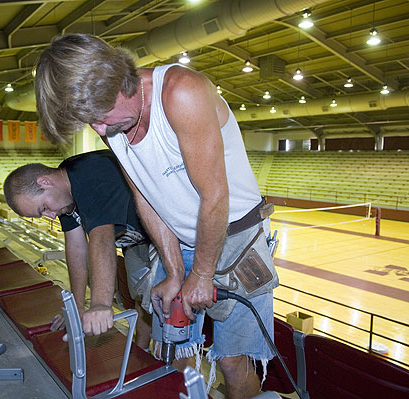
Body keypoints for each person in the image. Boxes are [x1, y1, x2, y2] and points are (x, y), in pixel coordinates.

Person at [35, 33, 279, 399]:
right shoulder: (111, 122)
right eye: (91, 123)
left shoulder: (181, 93)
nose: (100, 131)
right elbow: (146, 197)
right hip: (178, 241)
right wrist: (174, 270)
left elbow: (215, 196)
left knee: (231, 361)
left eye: (99, 118)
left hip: (235, 238)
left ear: (119, 82)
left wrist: (201, 272)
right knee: (174, 353)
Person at [3, 150, 153, 350]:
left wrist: (100, 304)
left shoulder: (89, 175)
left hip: (172, 236)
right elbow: (76, 248)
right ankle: (141, 351)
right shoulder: (64, 194)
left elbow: (101, 238)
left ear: (45, 182)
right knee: (142, 300)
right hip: (138, 242)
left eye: (44, 208)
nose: (50, 216)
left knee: (169, 316)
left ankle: (175, 374)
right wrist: (77, 307)